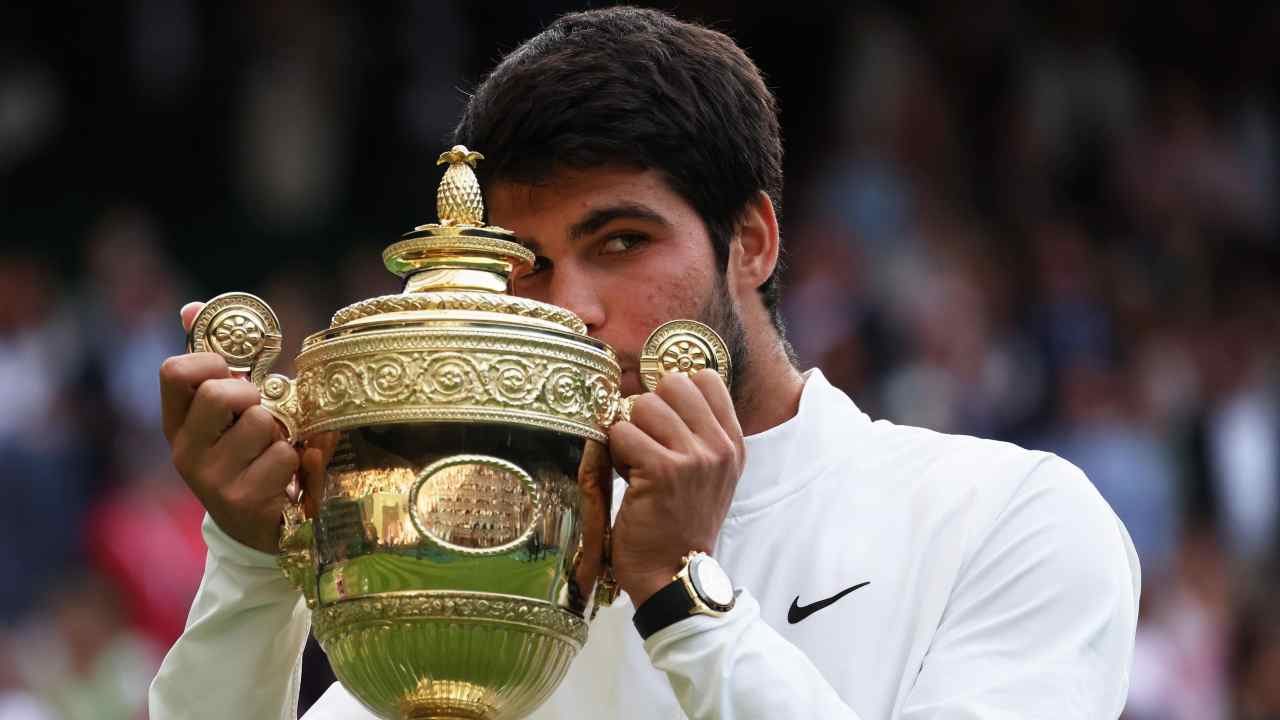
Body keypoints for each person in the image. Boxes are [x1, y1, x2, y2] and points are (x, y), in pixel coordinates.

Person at [150, 7, 1141, 719]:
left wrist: (679, 598)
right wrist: (249, 561)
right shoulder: (482, 553)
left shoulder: (1006, 518)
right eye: (523, 266)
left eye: (620, 241)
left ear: (750, 242)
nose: (569, 309)